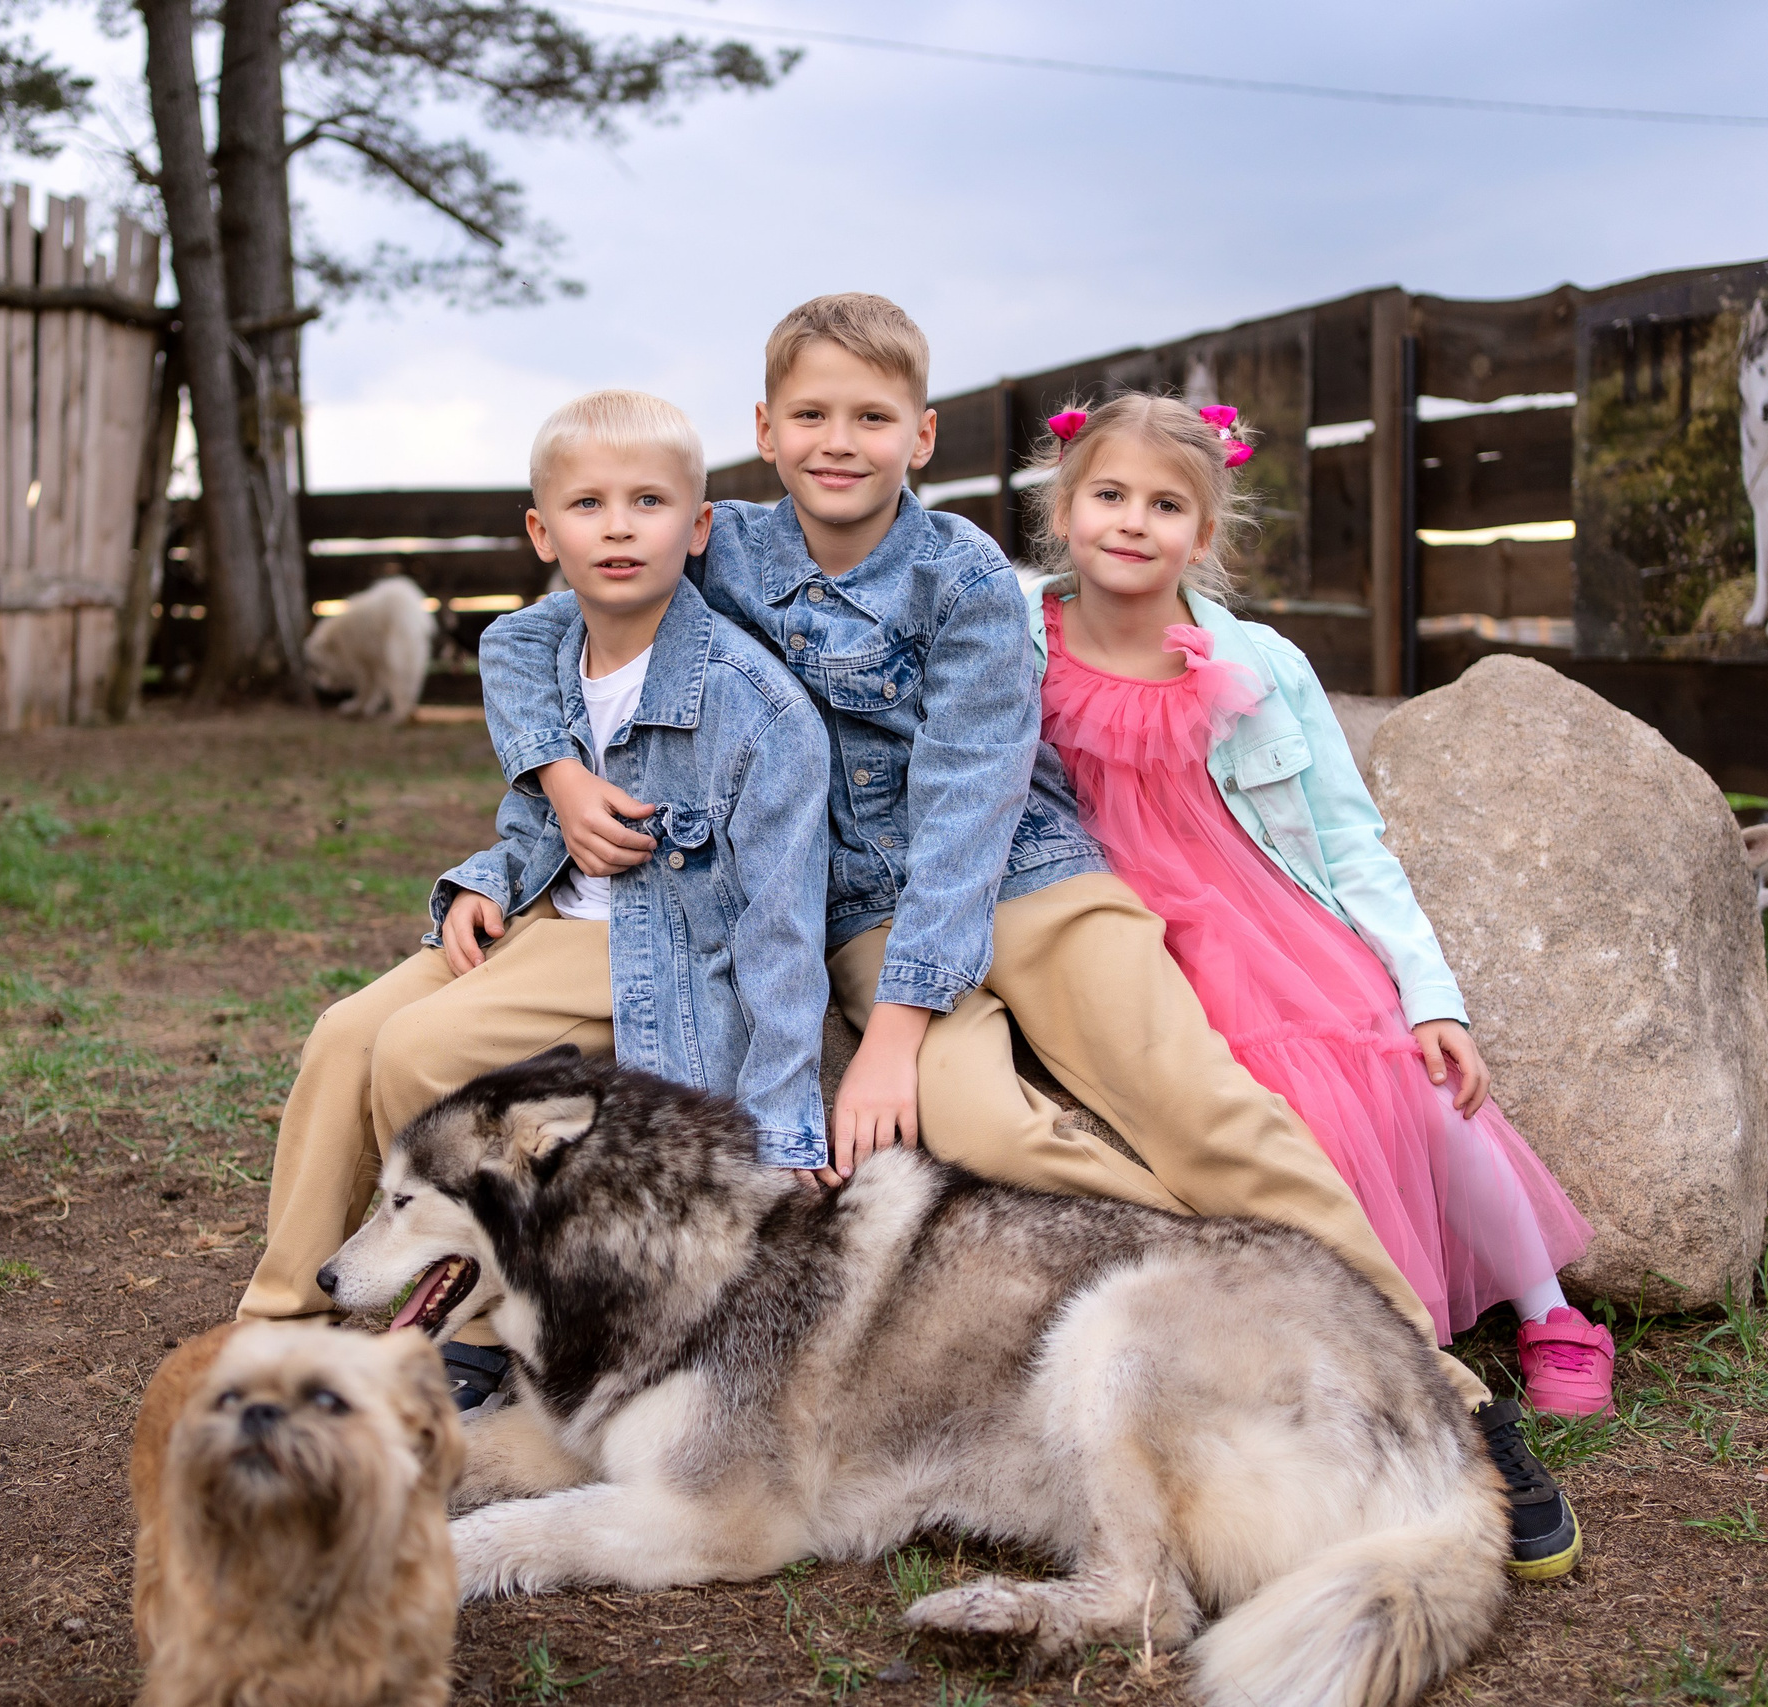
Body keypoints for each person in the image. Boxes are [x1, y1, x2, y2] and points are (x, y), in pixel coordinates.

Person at [478, 293, 1588, 1579]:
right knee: (992, 1132)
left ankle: (1438, 1387)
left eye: (872, 417)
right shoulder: (718, 549)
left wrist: (891, 1031)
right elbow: (547, 630)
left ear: (924, 433)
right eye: (815, 416)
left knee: (1197, 1106)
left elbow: (970, 797)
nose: (842, 442)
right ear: (766, 432)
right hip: (863, 911)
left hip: (1025, 876)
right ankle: (1220, 1281)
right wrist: (551, 768)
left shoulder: (962, 579)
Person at [1017, 392, 1616, 1422]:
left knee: (1401, 1075)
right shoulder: (1021, 643)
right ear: (1064, 510)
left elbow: (1345, 837)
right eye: (1108, 494)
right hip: (1109, 920)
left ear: (1203, 536)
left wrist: (1432, 994)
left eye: (1165, 505)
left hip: (1257, 919)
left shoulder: (1258, 663)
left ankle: (1549, 1308)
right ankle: (1344, 1331)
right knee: (1241, 1113)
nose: (1130, 521)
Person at [238, 390, 833, 1413]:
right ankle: (280, 1324)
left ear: (696, 530)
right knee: (345, 1035)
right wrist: (488, 881)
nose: (615, 525)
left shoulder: (756, 707)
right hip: (548, 913)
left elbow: (781, 925)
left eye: (647, 501)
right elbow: (533, 826)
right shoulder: (551, 654)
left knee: (420, 1053)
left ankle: (473, 1323)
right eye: (587, 503)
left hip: (664, 945)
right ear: (541, 532)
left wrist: (785, 1132)